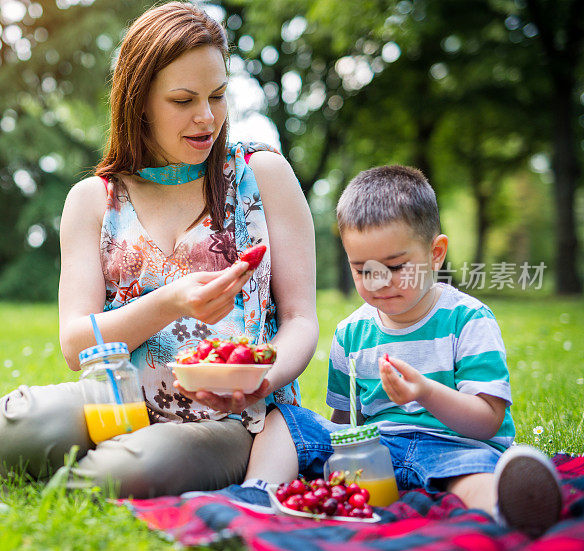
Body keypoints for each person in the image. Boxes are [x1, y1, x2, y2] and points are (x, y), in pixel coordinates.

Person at [0, 2, 318, 500]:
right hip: (118, 398)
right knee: (23, 415)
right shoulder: (94, 200)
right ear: (139, 101)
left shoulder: (261, 175)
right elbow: (77, 345)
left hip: (232, 419)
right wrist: (170, 302)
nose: (206, 118)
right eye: (183, 101)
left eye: (218, 96)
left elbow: (300, 319)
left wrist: (263, 380)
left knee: (128, 470)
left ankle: (14, 492)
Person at [220, 165, 562, 538]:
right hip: (380, 450)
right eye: (363, 270)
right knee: (285, 419)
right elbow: (344, 422)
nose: (379, 281)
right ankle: (257, 495)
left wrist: (425, 393)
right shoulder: (352, 332)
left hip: (454, 451)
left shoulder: (468, 320)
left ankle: (507, 504)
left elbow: (487, 421)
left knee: (475, 473)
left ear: (436, 254)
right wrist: (340, 458)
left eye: (396, 267)